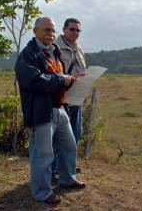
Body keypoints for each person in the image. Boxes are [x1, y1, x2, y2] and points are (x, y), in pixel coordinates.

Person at [14, 16, 86, 204]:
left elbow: (56, 76)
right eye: (47, 30)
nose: (51, 34)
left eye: (53, 31)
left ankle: (67, 179)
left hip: (59, 107)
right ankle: (42, 193)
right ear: (35, 31)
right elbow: (32, 80)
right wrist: (61, 80)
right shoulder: (28, 54)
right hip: (41, 111)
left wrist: (70, 80)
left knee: (69, 145)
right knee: (43, 155)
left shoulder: (53, 51)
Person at [51, 18, 87, 178]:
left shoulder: (78, 49)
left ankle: (68, 165)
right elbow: (52, 72)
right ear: (64, 29)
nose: (75, 33)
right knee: (60, 135)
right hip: (62, 96)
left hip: (77, 96)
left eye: (78, 30)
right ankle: (54, 169)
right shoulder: (55, 47)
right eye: (72, 29)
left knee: (75, 133)